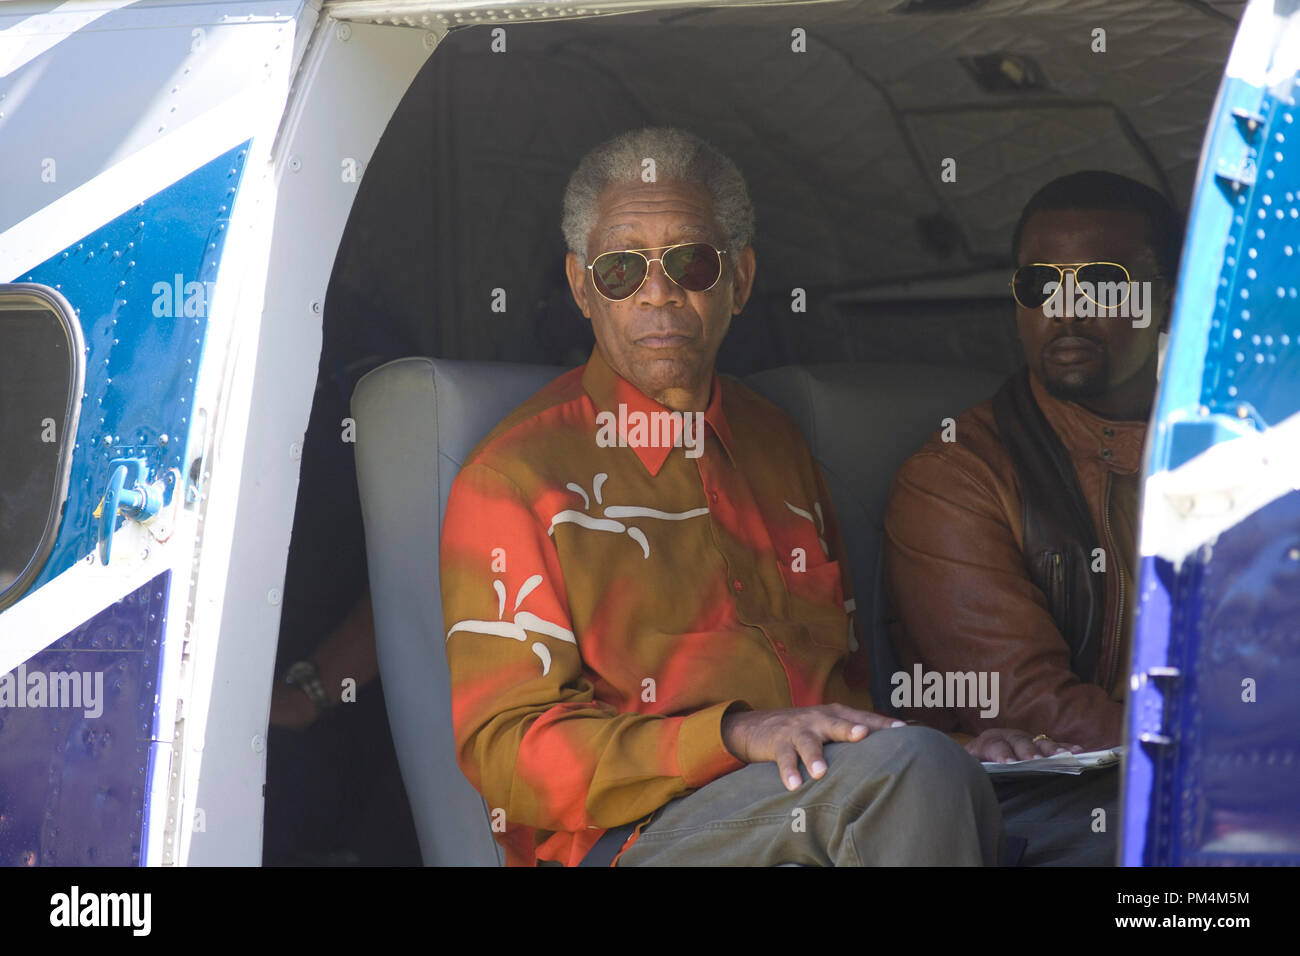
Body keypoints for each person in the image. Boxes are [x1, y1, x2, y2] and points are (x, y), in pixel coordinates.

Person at [440, 127, 1057, 868]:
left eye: (690, 262)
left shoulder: (776, 444)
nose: (658, 290)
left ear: (739, 278)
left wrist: (956, 750)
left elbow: (843, 696)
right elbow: (507, 754)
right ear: (581, 287)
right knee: (914, 779)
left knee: (1075, 807)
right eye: (621, 269)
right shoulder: (516, 478)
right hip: (635, 835)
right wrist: (732, 734)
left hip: (826, 793)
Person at [883, 170, 1180, 864]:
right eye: (1040, 285)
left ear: (1168, 298)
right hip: (1037, 797)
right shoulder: (959, 476)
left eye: (1102, 284)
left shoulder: (1235, 453)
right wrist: (1222, 761)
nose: (1067, 311)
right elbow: (1031, 709)